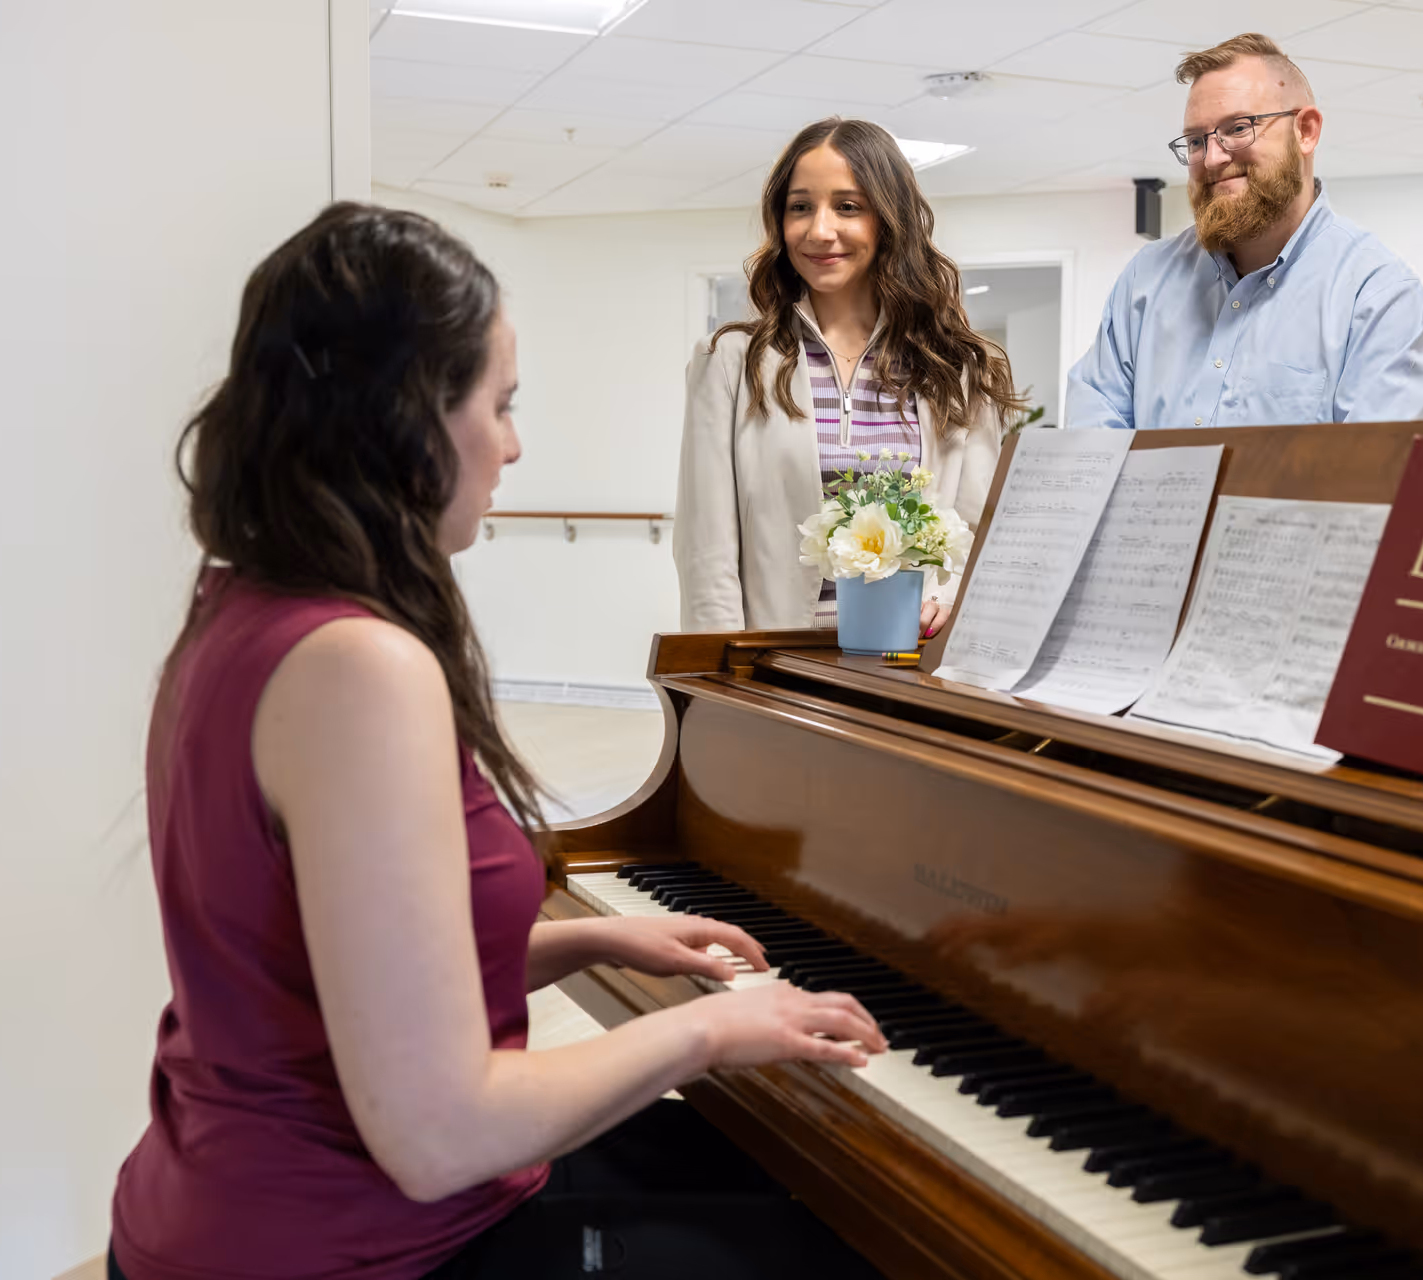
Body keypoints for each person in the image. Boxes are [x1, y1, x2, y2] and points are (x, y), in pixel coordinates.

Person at [107, 202, 886, 1280]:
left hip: (230, 1203)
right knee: (849, 1231)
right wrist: (707, 1033)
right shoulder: (357, 667)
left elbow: (350, 969)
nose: (514, 444)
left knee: (780, 1168)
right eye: (501, 404)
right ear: (405, 417)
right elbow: (439, 1136)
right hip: (348, 1245)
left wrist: (599, 941)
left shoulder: (241, 606)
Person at [676, 117, 1025, 637]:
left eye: (847, 206)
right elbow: (707, 552)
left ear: (888, 218)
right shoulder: (731, 360)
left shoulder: (959, 368)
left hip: (908, 662)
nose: (819, 230)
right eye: (800, 207)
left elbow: (976, 527)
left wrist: (949, 600)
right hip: (777, 668)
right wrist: (723, 676)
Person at [1066, 33, 1423, 431]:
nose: (1212, 157)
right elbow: (1091, 438)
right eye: (1196, 140)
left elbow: (1381, 473)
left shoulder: (1376, 293)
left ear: (1306, 131)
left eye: (1239, 128)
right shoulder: (1147, 279)